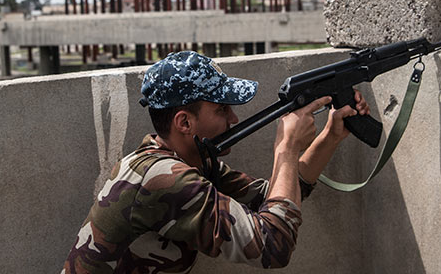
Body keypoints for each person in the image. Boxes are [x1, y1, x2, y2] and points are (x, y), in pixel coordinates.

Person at [63, 50, 369, 273]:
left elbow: (274, 198)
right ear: (184, 123)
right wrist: (286, 148)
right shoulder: (163, 178)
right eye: (222, 110)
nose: (233, 119)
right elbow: (273, 244)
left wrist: (330, 137)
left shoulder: (189, 162)